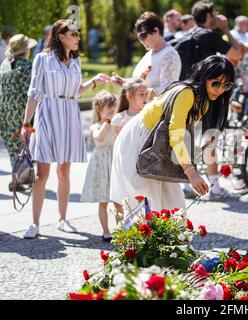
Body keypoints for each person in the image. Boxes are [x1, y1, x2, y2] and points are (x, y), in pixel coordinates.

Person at [20, 19, 111, 239]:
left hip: (70, 115)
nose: (78, 37)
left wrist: (94, 81)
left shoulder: (76, 61)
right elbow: (34, 92)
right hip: (48, 113)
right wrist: (26, 123)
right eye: (74, 34)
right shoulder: (43, 58)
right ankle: (35, 223)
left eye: (78, 34)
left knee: (64, 171)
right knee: (42, 174)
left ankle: (62, 219)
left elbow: (76, 91)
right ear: (61, 36)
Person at [110, 55, 235, 211]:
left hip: (159, 144)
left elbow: (181, 135)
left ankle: (168, 235)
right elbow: (176, 133)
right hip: (140, 140)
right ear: (204, 78)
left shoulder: (204, 102)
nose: (221, 90)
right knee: (145, 205)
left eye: (226, 85)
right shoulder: (186, 93)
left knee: (171, 204)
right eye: (216, 83)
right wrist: (191, 173)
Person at [176, 0, 243, 201]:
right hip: (209, 92)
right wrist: (226, 29)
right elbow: (237, 52)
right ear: (208, 16)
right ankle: (214, 187)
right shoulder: (210, 36)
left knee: (186, 137)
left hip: (186, 92)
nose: (217, 17)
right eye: (214, 14)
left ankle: (186, 184)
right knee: (211, 137)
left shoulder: (184, 36)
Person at [112, 12, 181, 99]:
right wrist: (124, 82)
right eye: (139, 37)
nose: (141, 41)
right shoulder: (149, 54)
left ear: (156, 31)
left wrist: (138, 91)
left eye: (143, 35)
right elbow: (141, 81)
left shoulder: (169, 55)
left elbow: (168, 90)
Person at [0, 34, 37, 192]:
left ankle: (15, 179)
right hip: (21, 110)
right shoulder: (28, 67)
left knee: (12, 144)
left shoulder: (4, 65)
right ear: (25, 50)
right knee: (23, 145)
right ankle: (19, 178)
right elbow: (33, 92)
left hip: (5, 110)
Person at [80, 90, 117, 242]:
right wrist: (108, 122)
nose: (111, 110)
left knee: (118, 201)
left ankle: (121, 229)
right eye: (108, 107)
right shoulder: (96, 126)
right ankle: (106, 231)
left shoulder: (115, 124)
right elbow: (100, 138)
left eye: (113, 107)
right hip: (101, 165)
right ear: (99, 109)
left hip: (113, 162)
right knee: (103, 201)